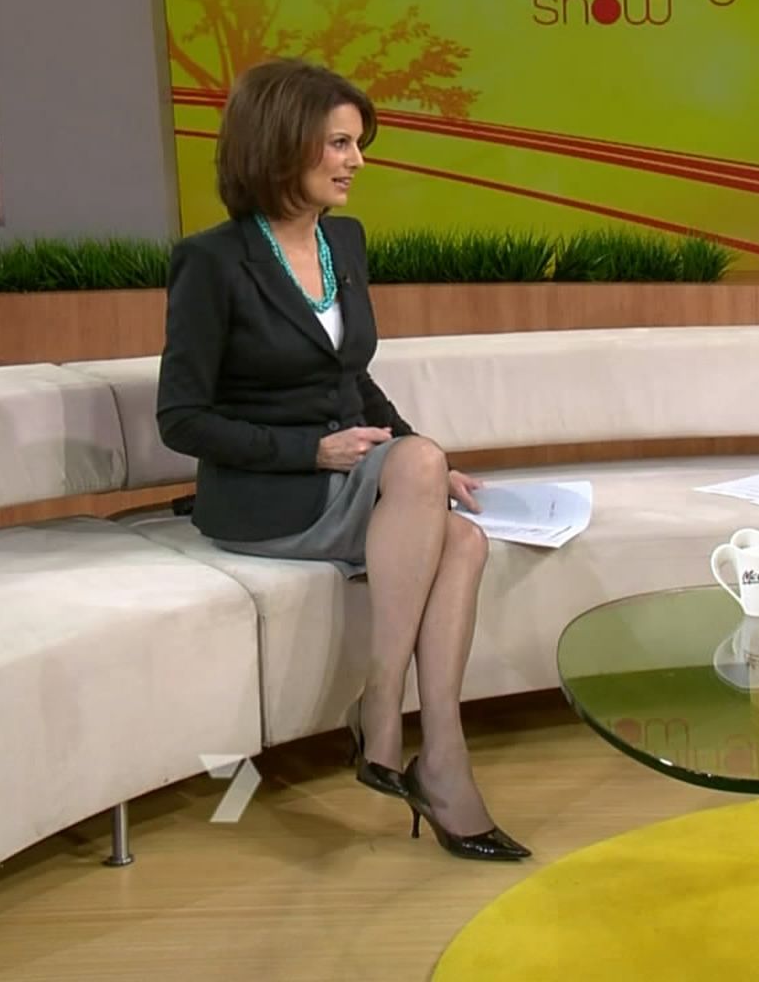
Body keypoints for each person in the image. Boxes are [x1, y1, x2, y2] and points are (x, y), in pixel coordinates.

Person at [155, 58, 529, 862]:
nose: (356, 160)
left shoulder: (343, 241)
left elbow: (350, 376)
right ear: (279, 144)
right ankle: (384, 707)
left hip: (349, 483)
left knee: (464, 536)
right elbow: (181, 419)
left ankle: (441, 753)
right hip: (265, 497)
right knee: (440, 508)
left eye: (358, 144)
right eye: (338, 143)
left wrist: (424, 462)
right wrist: (312, 450)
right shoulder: (212, 261)